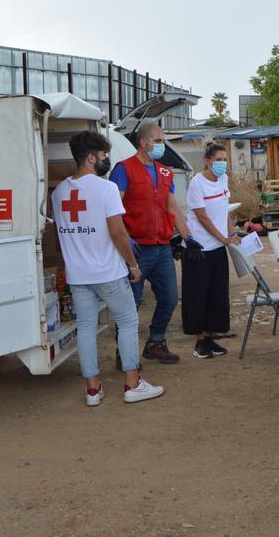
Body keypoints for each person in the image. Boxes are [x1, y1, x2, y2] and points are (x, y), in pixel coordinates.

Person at [52, 131, 165, 406]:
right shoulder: (106, 189)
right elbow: (118, 233)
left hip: (78, 275)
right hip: (108, 272)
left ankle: (92, 390)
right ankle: (132, 383)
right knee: (127, 321)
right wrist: (133, 264)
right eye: (103, 156)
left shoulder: (59, 193)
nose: (106, 161)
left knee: (87, 329)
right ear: (92, 157)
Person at [110, 121, 191, 365]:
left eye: (163, 140)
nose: (162, 145)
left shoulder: (166, 172)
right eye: (158, 140)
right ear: (144, 142)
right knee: (130, 304)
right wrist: (126, 243)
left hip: (162, 248)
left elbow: (172, 206)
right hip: (136, 249)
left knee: (169, 298)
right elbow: (113, 209)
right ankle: (123, 351)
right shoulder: (123, 169)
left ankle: (155, 342)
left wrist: (189, 238)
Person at [183, 142, 241, 359]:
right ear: (207, 161)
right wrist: (223, 238)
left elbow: (224, 209)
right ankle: (200, 342)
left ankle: (209, 337)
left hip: (217, 247)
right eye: (218, 160)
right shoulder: (197, 183)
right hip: (201, 249)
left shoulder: (223, 179)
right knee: (199, 295)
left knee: (217, 294)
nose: (222, 164)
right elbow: (203, 217)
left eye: (224, 159)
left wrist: (231, 233)